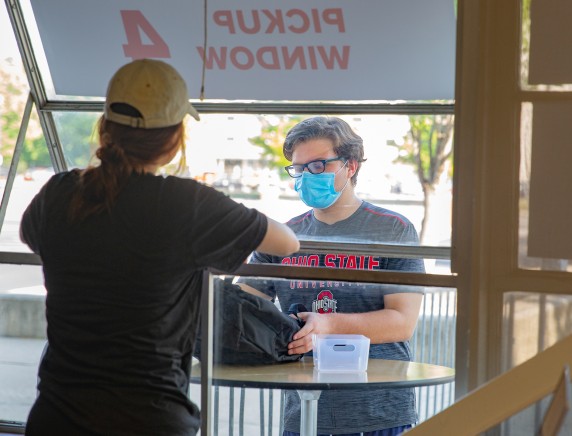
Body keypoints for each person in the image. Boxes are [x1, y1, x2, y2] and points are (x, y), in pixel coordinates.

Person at [20, 59, 299, 436]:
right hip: (149, 420)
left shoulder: (60, 193)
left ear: (105, 128)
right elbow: (286, 242)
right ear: (173, 140)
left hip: (57, 415)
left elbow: (31, 235)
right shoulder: (186, 204)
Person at [243, 116, 425, 435]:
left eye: (317, 166)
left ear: (350, 166)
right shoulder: (284, 237)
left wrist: (327, 325)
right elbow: (241, 307)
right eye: (298, 169)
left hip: (378, 411)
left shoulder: (392, 229)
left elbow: (402, 322)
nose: (305, 177)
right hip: (305, 410)